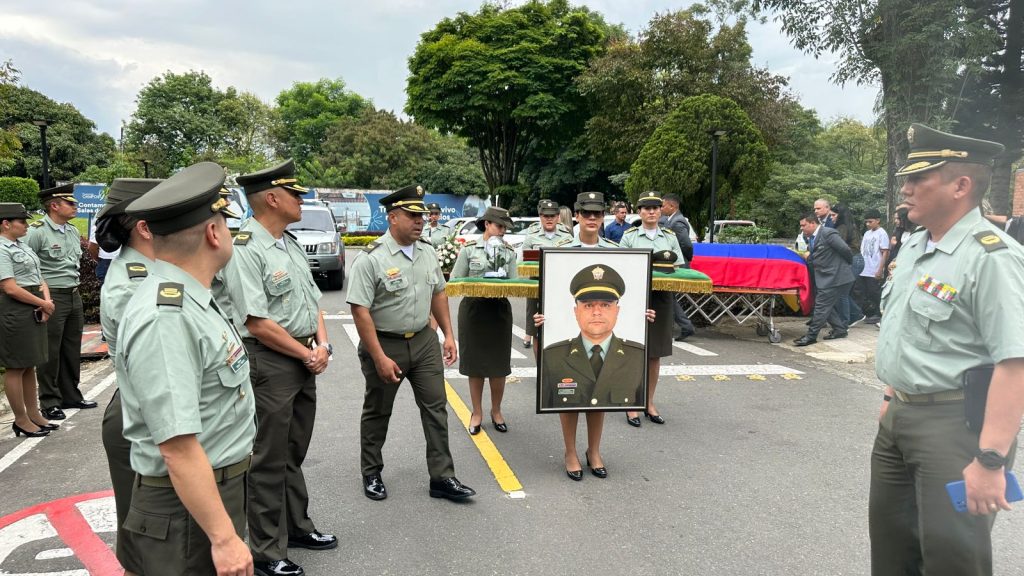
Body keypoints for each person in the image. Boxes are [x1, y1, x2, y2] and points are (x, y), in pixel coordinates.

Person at [870, 124, 1024, 576]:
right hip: (899, 415)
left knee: (952, 558)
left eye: (920, 179)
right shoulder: (917, 246)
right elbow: (905, 332)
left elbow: (1014, 363)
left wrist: (991, 459)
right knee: (892, 549)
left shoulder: (992, 257)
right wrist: (889, 397)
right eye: (906, 178)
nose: (906, 189)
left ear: (961, 186)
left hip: (955, 426)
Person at [115, 161, 255, 576]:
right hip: (187, 511)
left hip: (207, 496)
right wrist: (225, 539)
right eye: (226, 223)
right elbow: (177, 446)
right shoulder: (167, 315)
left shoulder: (189, 299)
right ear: (213, 233)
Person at [222, 159, 336, 576]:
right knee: (268, 457)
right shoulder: (246, 250)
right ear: (272, 198)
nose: (301, 199)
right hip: (272, 361)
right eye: (295, 193)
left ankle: (297, 526)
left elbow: (313, 303)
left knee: (293, 449)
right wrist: (305, 354)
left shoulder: (287, 243)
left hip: (304, 356)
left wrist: (322, 345)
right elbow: (256, 322)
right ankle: (268, 550)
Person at [347, 184, 476, 502]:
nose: (420, 221)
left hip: (423, 341)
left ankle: (442, 477)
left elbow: (439, 293)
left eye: (421, 215)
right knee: (378, 410)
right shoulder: (372, 259)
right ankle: (372, 472)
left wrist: (448, 334)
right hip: (385, 343)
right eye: (411, 215)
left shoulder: (428, 251)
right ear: (392, 218)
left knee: (436, 409)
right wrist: (377, 356)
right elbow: (360, 310)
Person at [95, 177, 162, 572]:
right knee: (144, 536)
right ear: (144, 226)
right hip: (142, 413)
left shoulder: (157, 271)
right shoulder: (133, 284)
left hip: (148, 406)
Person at [537, 191, 621, 481]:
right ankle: (570, 451)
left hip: (602, 334)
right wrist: (542, 317)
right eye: (587, 213)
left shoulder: (614, 250)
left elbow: (629, 292)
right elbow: (554, 292)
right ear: (576, 215)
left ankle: (594, 451)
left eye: (598, 214)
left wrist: (640, 317)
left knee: (600, 395)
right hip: (570, 333)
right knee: (570, 394)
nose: (592, 219)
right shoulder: (560, 249)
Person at [26, 183, 96, 420]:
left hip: (73, 293)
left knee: (71, 347)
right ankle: (49, 401)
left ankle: (71, 395)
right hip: (51, 294)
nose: (75, 206)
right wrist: (39, 298)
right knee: (50, 351)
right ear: (54, 206)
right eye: (70, 203)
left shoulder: (72, 231)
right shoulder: (36, 232)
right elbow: (26, 266)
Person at [450, 206, 518, 435]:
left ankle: (496, 410)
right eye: (498, 226)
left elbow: (515, 283)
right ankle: (476, 411)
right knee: (476, 366)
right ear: (487, 224)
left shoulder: (509, 252)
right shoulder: (469, 250)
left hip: (498, 311)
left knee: (499, 367)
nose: (501, 231)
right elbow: (455, 279)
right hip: (474, 310)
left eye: (504, 228)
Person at [619, 192, 685, 426]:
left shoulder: (669, 236)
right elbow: (622, 268)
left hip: (662, 299)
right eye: (646, 208)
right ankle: (630, 402)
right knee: (632, 352)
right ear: (639, 211)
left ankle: (648, 401)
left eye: (655, 208)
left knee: (655, 353)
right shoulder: (629, 237)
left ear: (660, 211)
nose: (651, 212)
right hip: (636, 298)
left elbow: (678, 268)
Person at [542, 264, 645, 412]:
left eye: (605, 305)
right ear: (576, 312)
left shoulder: (638, 356)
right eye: (589, 305)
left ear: (617, 311)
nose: (597, 312)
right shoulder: (552, 356)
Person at [0, 203, 56, 438]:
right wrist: (42, 304)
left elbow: (39, 277)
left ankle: (34, 414)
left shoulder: (21, 245)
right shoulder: (2, 249)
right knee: (16, 365)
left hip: (33, 304)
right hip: (15, 308)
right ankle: (21, 419)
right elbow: (9, 287)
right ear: (5, 223)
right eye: (21, 221)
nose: (26, 225)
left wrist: (47, 301)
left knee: (30, 363)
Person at [792, 214, 854, 346]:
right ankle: (840, 329)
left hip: (835, 277)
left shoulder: (828, 233)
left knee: (821, 306)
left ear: (812, 223)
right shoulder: (812, 237)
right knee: (826, 305)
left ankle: (811, 336)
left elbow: (846, 250)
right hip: (827, 277)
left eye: (804, 225)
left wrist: (845, 266)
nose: (801, 228)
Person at [521, 199, 573, 352]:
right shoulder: (532, 236)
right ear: (540, 217)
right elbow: (522, 262)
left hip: (560, 287)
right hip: (537, 286)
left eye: (552, 216)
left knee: (561, 327)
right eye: (545, 216)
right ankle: (539, 371)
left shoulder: (567, 236)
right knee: (536, 331)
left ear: (558, 217)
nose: (549, 219)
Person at [659, 193, 696, 341]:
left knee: (668, 296)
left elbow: (686, 245)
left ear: (672, 206)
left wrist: (685, 260)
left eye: (663, 206)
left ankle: (686, 326)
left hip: (677, 265)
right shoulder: (671, 220)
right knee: (668, 296)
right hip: (671, 265)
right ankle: (684, 326)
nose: (661, 209)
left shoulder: (677, 222)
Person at [833, 204, 865, 326]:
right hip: (856, 260)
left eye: (834, 215)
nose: (832, 217)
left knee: (841, 292)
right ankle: (856, 314)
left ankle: (844, 323)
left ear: (840, 215)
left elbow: (839, 246)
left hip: (853, 261)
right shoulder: (852, 226)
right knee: (842, 292)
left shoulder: (843, 227)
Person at [857, 208, 889, 324]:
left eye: (870, 221)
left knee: (874, 291)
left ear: (878, 220)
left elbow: (885, 251)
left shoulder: (882, 233)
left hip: (874, 267)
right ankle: (868, 313)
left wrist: (880, 269)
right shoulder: (866, 233)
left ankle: (879, 313)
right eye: (866, 222)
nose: (868, 224)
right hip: (864, 267)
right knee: (863, 292)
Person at [87, 217, 120, 284]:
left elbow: (92, 247)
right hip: (107, 261)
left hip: (107, 261)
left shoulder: (100, 221)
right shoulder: (100, 222)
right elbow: (92, 247)